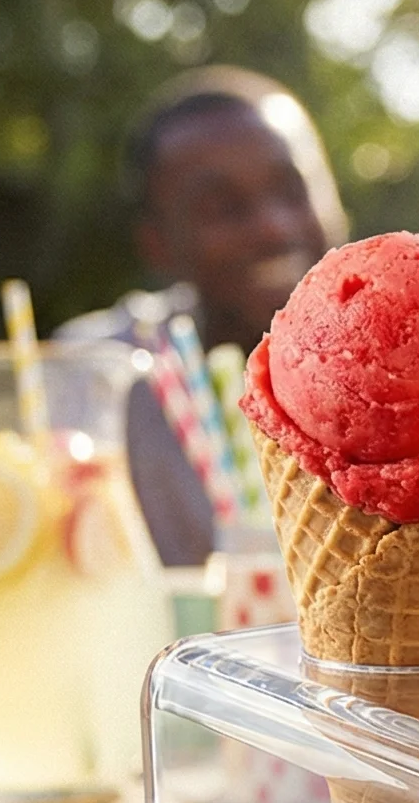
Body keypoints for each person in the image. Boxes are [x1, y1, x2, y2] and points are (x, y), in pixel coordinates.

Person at [61, 68, 346, 565]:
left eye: (291, 190)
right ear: (157, 243)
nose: (272, 227)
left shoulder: (417, 360)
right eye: (223, 208)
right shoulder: (98, 374)